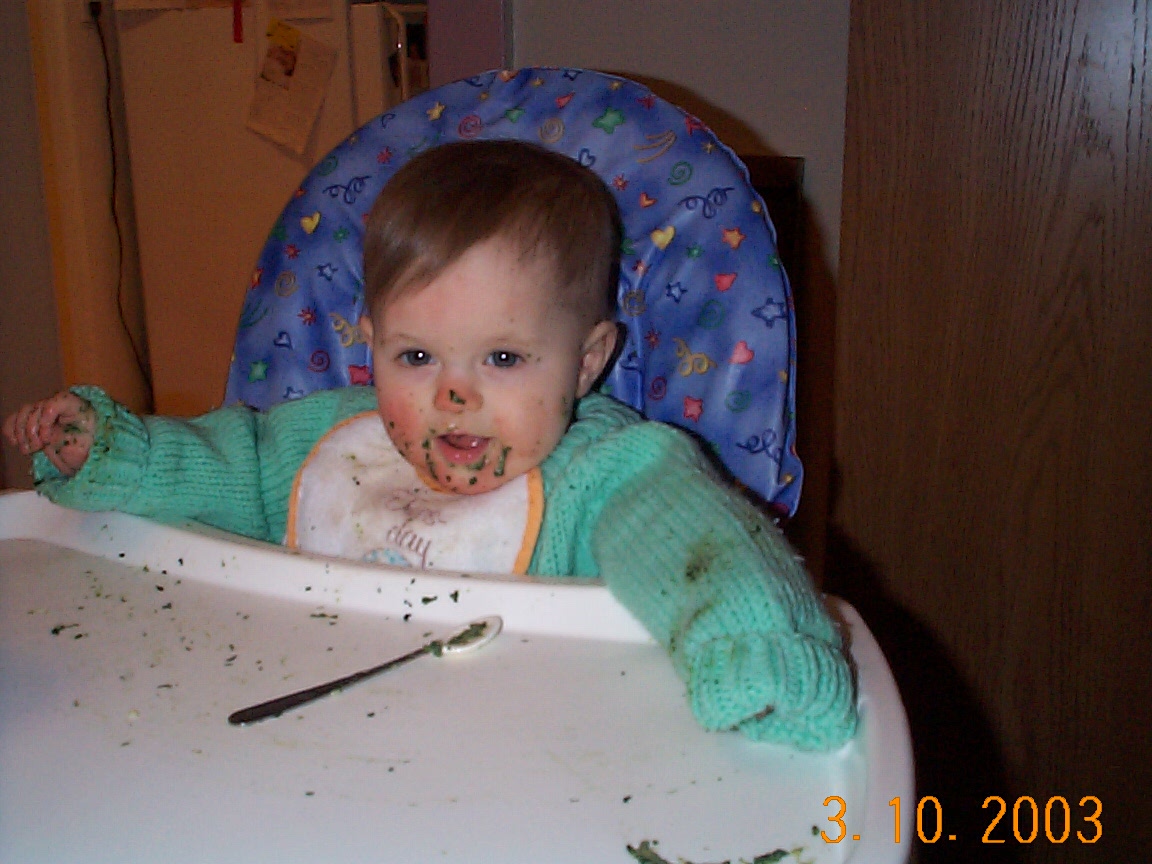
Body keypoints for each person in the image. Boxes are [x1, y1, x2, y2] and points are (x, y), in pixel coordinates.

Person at [3, 140, 857, 751]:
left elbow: (697, 543)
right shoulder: (330, 445)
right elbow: (224, 464)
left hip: (516, 758)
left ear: (588, 360)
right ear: (370, 341)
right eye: (415, 357)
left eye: (503, 359)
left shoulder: (606, 471)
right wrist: (110, 453)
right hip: (299, 741)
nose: (453, 395)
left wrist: (755, 651)